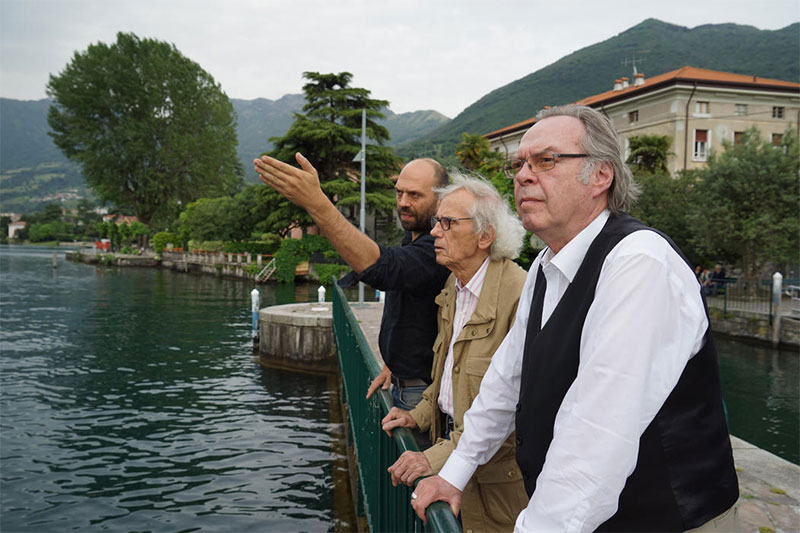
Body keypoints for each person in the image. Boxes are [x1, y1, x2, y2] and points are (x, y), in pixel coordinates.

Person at [411, 105, 740, 532]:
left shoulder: (639, 262)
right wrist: (455, 472)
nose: (523, 175)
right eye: (519, 164)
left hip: (669, 519)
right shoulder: (548, 266)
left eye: (546, 160)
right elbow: (505, 382)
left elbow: (597, 434)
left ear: (601, 175)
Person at [381, 173, 529, 531]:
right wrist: (419, 415)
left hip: (494, 483)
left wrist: (432, 458)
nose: (434, 232)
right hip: (451, 450)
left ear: (484, 235)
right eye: (437, 222)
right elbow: (449, 371)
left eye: (447, 223)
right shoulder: (455, 284)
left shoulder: (519, 294)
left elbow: (509, 409)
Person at [254, 154, 451, 416]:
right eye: (399, 193)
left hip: (421, 395)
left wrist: (317, 204)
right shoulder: (413, 238)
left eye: (414, 195)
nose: (403, 202)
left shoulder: (440, 248)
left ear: (441, 201)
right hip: (404, 384)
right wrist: (394, 364)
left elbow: (384, 269)